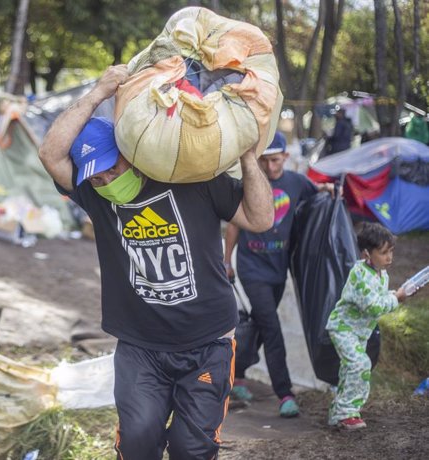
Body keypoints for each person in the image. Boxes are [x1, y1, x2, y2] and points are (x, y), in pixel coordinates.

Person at [38, 65, 274, 460]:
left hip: (208, 341)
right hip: (140, 345)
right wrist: (98, 93)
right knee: (137, 441)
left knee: (191, 448)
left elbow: (261, 219)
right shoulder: (96, 197)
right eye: (96, 176)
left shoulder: (189, 177)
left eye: (112, 167)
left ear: (132, 153)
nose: (106, 180)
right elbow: (50, 153)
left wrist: (249, 158)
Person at [224, 131, 334, 417]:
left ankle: (236, 374)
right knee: (272, 329)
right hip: (251, 269)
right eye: (264, 161)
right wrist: (226, 260)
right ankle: (284, 393)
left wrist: (329, 191)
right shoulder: (248, 183)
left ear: (285, 157)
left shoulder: (296, 182)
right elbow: (234, 225)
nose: (270, 168)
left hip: (277, 269)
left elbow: (317, 194)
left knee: (261, 326)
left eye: (275, 161)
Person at [326, 222, 407, 430]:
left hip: (359, 332)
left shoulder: (382, 275)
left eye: (391, 251)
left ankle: (338, 413)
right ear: (366, 254)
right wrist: (395, 298)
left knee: (348, 370)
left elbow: (379, 298)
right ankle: (347, 413)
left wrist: (392, 296)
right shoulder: (360, 274)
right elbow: (372, 306)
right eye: (383, 253)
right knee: (360, 364)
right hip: (344, 328)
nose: (389, 257)